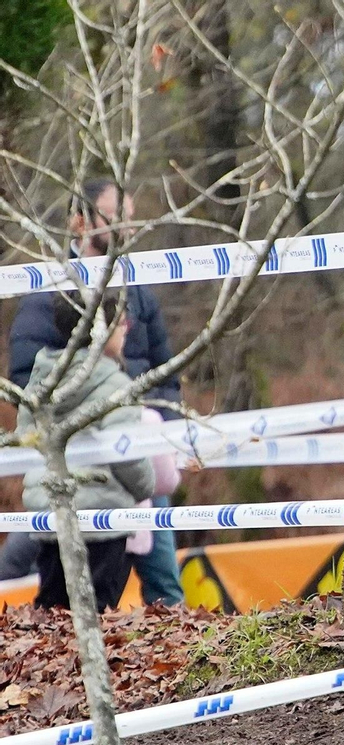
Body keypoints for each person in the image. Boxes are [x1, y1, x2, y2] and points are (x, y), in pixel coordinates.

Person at [2, 179, 185, 605]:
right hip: (70, 466)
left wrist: (166, 440)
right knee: (49, 577)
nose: (128, 226)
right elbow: (28, 382)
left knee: (162, 584)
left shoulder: (139, 288)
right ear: (79, 221)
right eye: (115, 215)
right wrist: (84, 415)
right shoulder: (47, 292)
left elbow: (166, 374)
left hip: (136, 459)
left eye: (132, 216)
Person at [20, 303, 156, 611]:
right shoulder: (116, 385)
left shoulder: (39, 380)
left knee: (51, 615)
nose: (127, 331)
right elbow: (126, 454)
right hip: (102, 521)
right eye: (121, 324)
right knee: (99, 614)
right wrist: (146, 486)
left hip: (50, 515)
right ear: (101, 332)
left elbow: (27, 444)